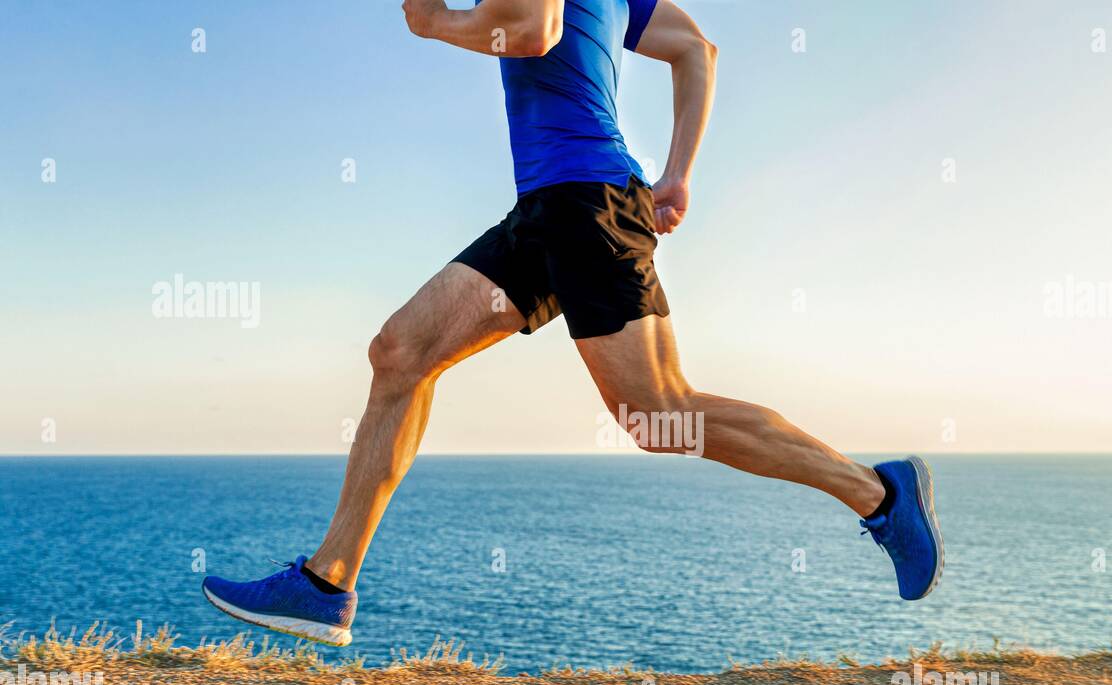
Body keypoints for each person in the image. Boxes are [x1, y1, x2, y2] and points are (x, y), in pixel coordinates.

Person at [201, 0, 943, 647]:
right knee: (400, 352)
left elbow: (528, 30)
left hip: (587, 208)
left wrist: (435, 24)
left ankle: (879, 494)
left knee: (659, 415)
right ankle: (326, 585)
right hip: (547, 211)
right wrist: (680, 173)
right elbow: (696, 48)